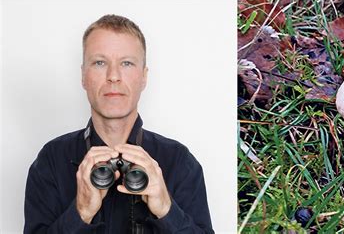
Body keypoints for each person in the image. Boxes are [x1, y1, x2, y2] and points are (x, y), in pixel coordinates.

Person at [24, 14, 214, 234]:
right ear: (84, 76)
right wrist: (81, 212)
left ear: (143, 77)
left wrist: (166, 210)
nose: (113, 76)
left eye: (126, 63)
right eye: (99, 62)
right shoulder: (51, 160)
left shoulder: (179, 161)